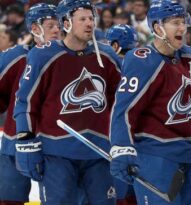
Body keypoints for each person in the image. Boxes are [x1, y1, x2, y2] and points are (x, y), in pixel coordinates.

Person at [13, 0, 122, 204]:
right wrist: (25, 139)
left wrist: (125, 142)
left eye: (91, 18)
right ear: (66, 23)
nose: (89, 24)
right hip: (57, 153)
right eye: (82, 19)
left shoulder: (107, 57)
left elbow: (123, 104)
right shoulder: (43, 55)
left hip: (99, 152)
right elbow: (26, 101)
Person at [109, 1, 191, 204]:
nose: (182, 28)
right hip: (156, 155)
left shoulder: (190, 56)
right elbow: (124, 109)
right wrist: (122, 147)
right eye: (175, 23)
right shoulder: (142, 60)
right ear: (158, 28)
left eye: (183, 22)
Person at [0, 3, 60, 205]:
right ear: (35, 29)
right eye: (51, 25)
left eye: (60, 24)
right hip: (15, 145)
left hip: (58, 149)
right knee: (8, 199)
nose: (57, 29)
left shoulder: (72, 59)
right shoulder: (15, 57)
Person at [106, 24, 139, 205]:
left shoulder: (107, 64)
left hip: (116, 138)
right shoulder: (145, 62)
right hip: (141, 140)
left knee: (119, 194)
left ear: (116, 45)